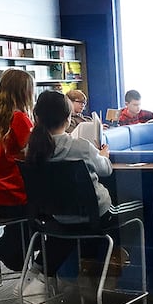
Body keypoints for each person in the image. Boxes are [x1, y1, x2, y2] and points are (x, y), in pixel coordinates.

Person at [22, 89, 116, 292]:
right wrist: (103, 154)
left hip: (58, 216)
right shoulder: (81, 146)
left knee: (69, 228)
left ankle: (40, 274)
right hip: (95, 216)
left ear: (36, 117)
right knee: (129, 211)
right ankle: (91, 273)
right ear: (68, 117)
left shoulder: (32, 150)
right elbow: (105, 170)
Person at [0, 68, 35, 269]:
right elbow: (34, 153)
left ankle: (12, 244)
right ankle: (14, 251)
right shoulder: (19, 118)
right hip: (16, 194)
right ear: (25, 92)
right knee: (58, 209)